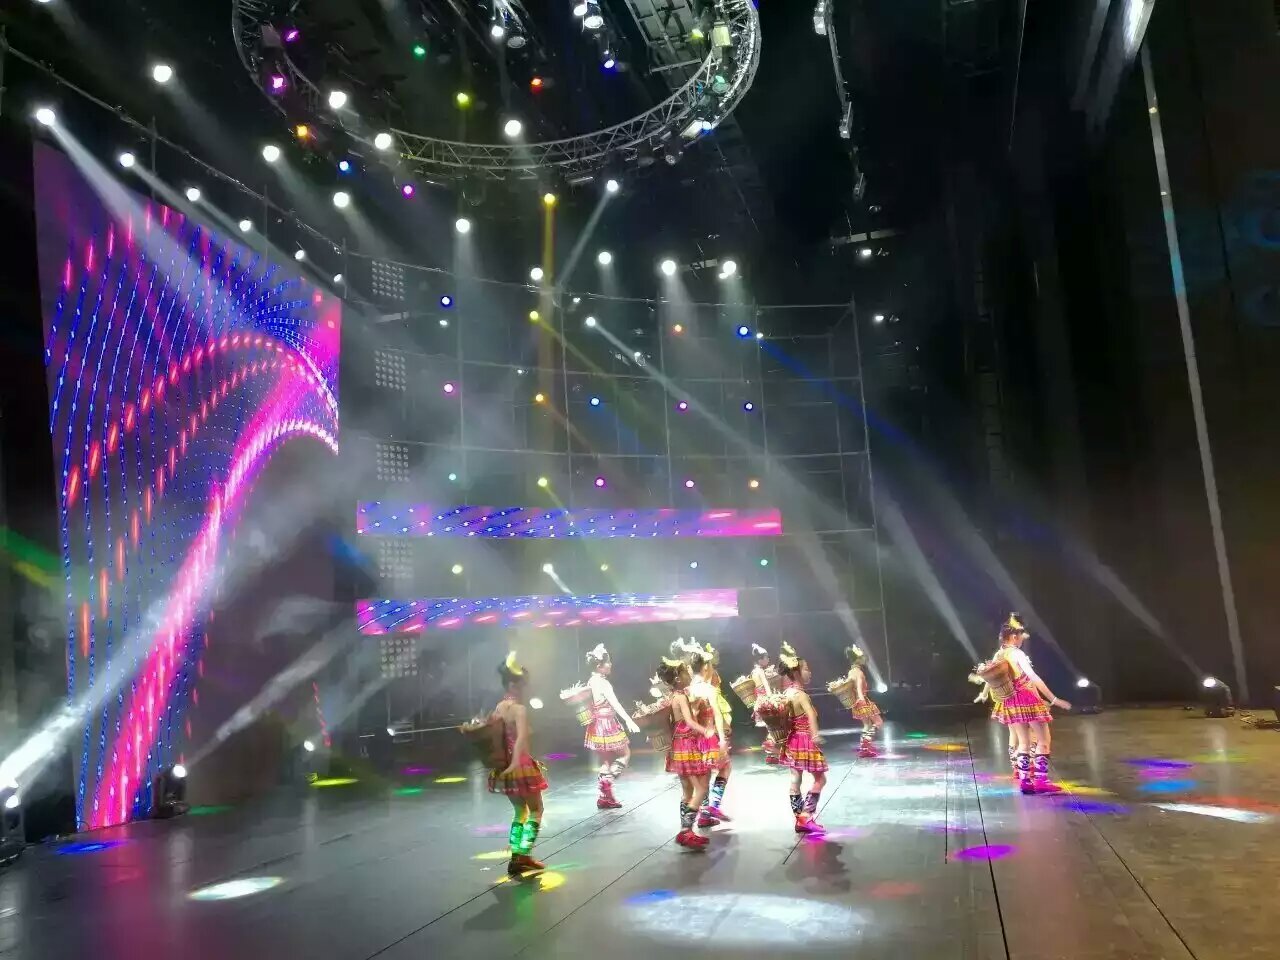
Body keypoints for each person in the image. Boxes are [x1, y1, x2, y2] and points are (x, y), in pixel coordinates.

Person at [990, 621, 1071, 794]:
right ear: (1014, 637)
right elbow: (1033, 677)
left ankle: (1025, 781)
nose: (1022, 640)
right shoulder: (1017, 654)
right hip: (1028, 698)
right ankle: (1041, 781)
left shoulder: (999, 654)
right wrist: (1054, 699)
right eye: (1021, 636)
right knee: (1043, 739)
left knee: (1023, 742)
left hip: (1011, 700)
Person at [487, 652, 548, 876]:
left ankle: (517, 856)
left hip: (506, 767)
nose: (524, 688)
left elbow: (495, 737)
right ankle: (523, 854)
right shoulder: (519, 709)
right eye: (522, 684)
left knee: (519, 811)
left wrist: (506, 766)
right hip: (520, 766)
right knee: (536, 810)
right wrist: (515, 764)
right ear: (514, 684)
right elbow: (521, 738)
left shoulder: (499, 708)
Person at [658, 655, 720, 849]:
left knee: (687, 792)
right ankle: (685, 831)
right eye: (685, 672)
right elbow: (689, 722)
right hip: (686, 745)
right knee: (700, 789)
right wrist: (706, 731)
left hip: (678, 745)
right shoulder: (681, 697)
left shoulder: (673, 696)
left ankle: (686, 831)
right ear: (678, 678)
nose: (689, 674)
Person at [777, 642, 828, 834]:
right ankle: (806, 816)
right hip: (805, 740)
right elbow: (811, 715)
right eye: (806, 669)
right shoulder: (801, 695)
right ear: (796, 673)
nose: (809, 672)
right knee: (820, 779)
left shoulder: (786, 694)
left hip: (792, 741)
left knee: (795, 779)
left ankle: (799, 819)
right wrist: (815, 735)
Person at [584, 643, 640, 809]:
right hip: (607, 723)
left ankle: (605, 797)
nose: (610, 664)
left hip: (596, 724)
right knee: (625, 754)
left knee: (606, 760)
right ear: (599, 666)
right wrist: (629, 720)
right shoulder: (603, 683)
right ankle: (607, 785)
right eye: (607, 662)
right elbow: (615, 704)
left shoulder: (591, 680)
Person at [692, 643, 733, 826]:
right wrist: (722, 739)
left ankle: (704, 815)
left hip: (693, 740)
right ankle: (713, 805)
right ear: (705, 667)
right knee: (725, 767)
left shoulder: (689, 688)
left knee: (704, 777)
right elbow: (717, 714)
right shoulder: (708, 689)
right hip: (708, 738)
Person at [846, 645, 883, 758]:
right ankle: (866, 741)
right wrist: (861, 697)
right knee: (878, 722)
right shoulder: (859, 672)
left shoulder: (851, 672)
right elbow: (858, 686)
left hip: (856, 702)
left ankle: (865, 748)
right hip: (862, 700)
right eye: (862, 657)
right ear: (858, 659)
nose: (864, 659)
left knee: (867, 725)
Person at [750, 643, 780, 763]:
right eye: (766, 657)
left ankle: (771, 755)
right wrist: (772, 699)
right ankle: (770, 748)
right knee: (774, 727)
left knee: (770, 727)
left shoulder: (754, 671)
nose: (768, 659)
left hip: (759, 701)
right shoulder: (760, 671)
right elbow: (766, 686)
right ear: (760, 659)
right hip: (765, 701)